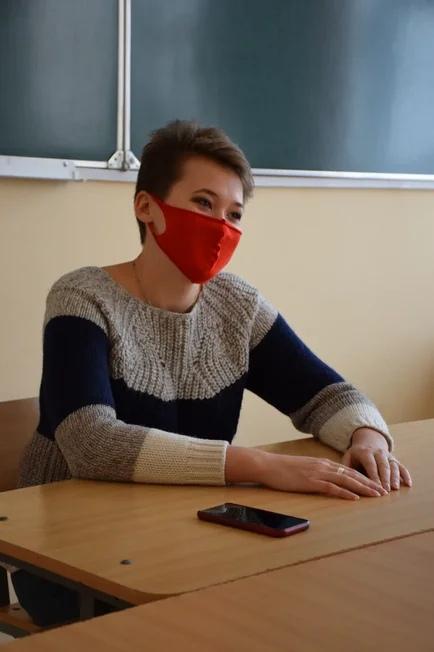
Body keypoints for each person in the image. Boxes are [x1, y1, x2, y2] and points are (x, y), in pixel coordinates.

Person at [12, 120, 411, 626]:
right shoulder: (82, 298)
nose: (221, 226)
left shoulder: (237, 306)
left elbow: (328, 394)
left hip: (184, 534)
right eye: (203, 203)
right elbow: (92, 443)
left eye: (234, 214)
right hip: (67, 558)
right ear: (146, 207)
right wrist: (262, 466)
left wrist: (367, 436)